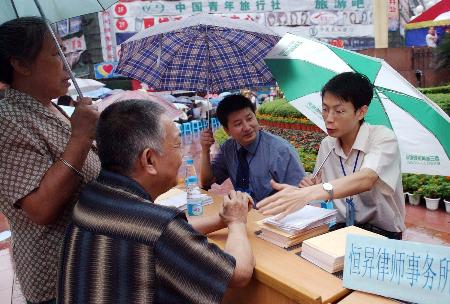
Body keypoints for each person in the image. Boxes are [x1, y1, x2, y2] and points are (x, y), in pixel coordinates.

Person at [58, 100, 255, 303]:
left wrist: (221, 220)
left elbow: (165, 234)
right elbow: (238, 273)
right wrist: (238, 222)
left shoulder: (92, 197)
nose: (182, 156)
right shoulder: (158, 226)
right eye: (178, 145)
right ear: (149, 160)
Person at [0, 17, 100, 304]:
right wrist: (80, 137)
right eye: (56, 54)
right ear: (21, 65)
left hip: (89, 264)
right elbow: (40, 208)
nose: (68, 64)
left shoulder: (52, 109)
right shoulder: (7, 120)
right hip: (58, 277)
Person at [258, 72, 405, 240]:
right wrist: (310, 190)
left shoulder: (383, 138)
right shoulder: (327, 145)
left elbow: (366, 179)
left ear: (361, 112)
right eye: (325, 109)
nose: (328, 118)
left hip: (381, 234)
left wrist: (312, 192)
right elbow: (320, 193)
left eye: (339, 111)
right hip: (342, 230)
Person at [200, 94, 305, 204]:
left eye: (249, 118)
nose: (247, 127)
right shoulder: (228, 149)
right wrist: (205, 150)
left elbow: (300, 196)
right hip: (242, 215)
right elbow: (207, 182)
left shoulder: (281, 151)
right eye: (238, 124)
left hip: (275, 215)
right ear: (227, 130)